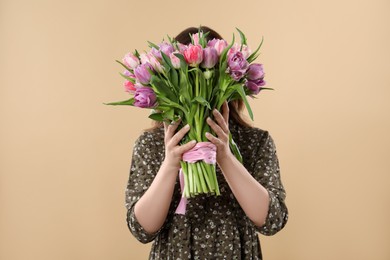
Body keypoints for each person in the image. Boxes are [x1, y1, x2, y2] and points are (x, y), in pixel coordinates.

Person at [125, 26, 288, 259]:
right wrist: (171, 163)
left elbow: (272, 220)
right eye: (185, 78)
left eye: (203, 75)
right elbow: (141, 229)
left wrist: (225, 156)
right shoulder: (151, 144)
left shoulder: (255, 141)